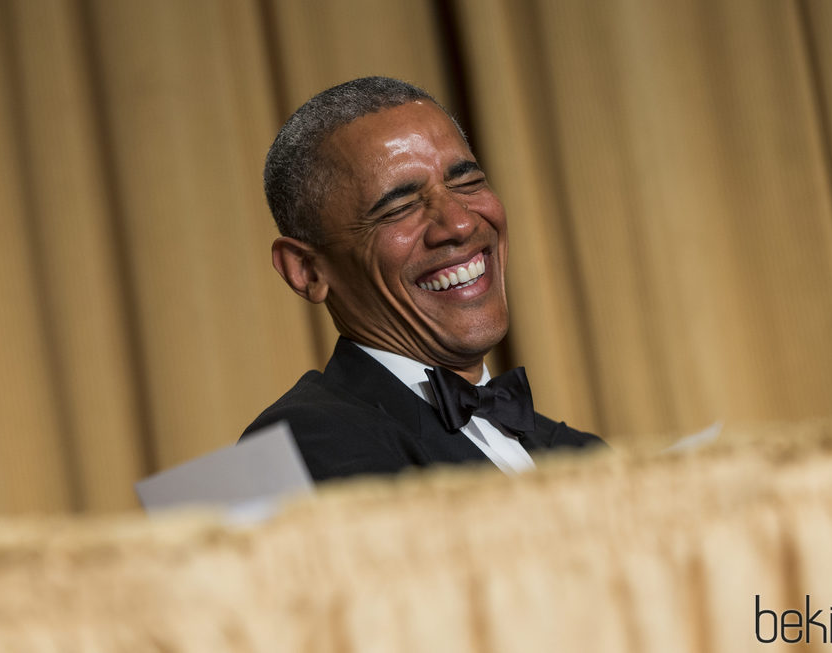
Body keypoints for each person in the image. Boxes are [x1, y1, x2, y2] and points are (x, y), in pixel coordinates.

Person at [241, 76, 602, 481]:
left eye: (467, 182)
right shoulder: (297, 450)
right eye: (399, 206)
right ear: (307, 270)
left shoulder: (584, 455)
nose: (461, 223)